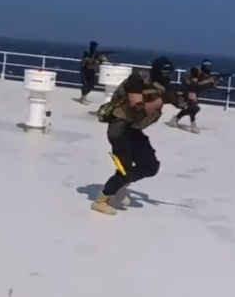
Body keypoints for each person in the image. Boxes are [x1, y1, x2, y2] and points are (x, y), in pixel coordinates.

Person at [92, 56, 186, 215]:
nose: (168, 77)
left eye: (170, 73)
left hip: (133, 129)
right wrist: (163, 100)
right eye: (165, 73)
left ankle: (120, 186)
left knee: (150, 166)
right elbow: (138, 110)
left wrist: (187, 99)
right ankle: (102, 198)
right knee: (125, 170)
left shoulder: (162, 86)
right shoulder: (136, 80)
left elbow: (179, 102)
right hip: (119, 129)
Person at [169, 59, 222, 133]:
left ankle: (176, 119)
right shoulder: (195, 71)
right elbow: (194, 84)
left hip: (195, 92)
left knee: (192, 108)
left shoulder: (207, 74)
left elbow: (205, 85)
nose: (207, 67)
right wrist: (208, 81)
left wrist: (215, 82)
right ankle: (192, 124)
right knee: (194, 107)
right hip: (189, 90)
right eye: (206, 65)